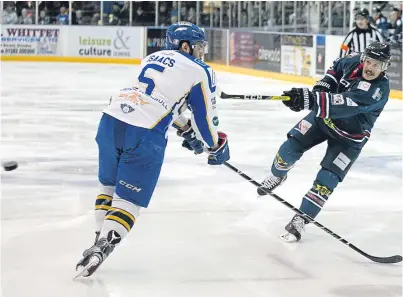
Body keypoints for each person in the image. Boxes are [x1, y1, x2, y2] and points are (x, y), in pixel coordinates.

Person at [75, 22, 230, 278]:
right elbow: (205, 120)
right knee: (128, 200)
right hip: (145, 132)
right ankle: (103, 247)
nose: (202, 52)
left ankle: (98, 238)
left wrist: (185, 128)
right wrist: (215, 145)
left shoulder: (152, 57)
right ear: (185, 45)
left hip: (110, 120)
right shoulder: (199, 70)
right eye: (199, 46)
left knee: (109, 188)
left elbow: (156, 97)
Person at [257, 41, 391, 243]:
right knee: (288, 150)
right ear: (363, 58)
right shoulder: (352, 61)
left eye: (377, 65)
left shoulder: (378, 90)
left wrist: (311, 99)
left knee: (326, 182)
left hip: (349, 139)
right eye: (369, 61)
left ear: (385, 67)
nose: (371, 68)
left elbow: (345, 104)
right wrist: (324, 85)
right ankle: (277, 176)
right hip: (322, 120)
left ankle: (301, 219)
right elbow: (335, 67)